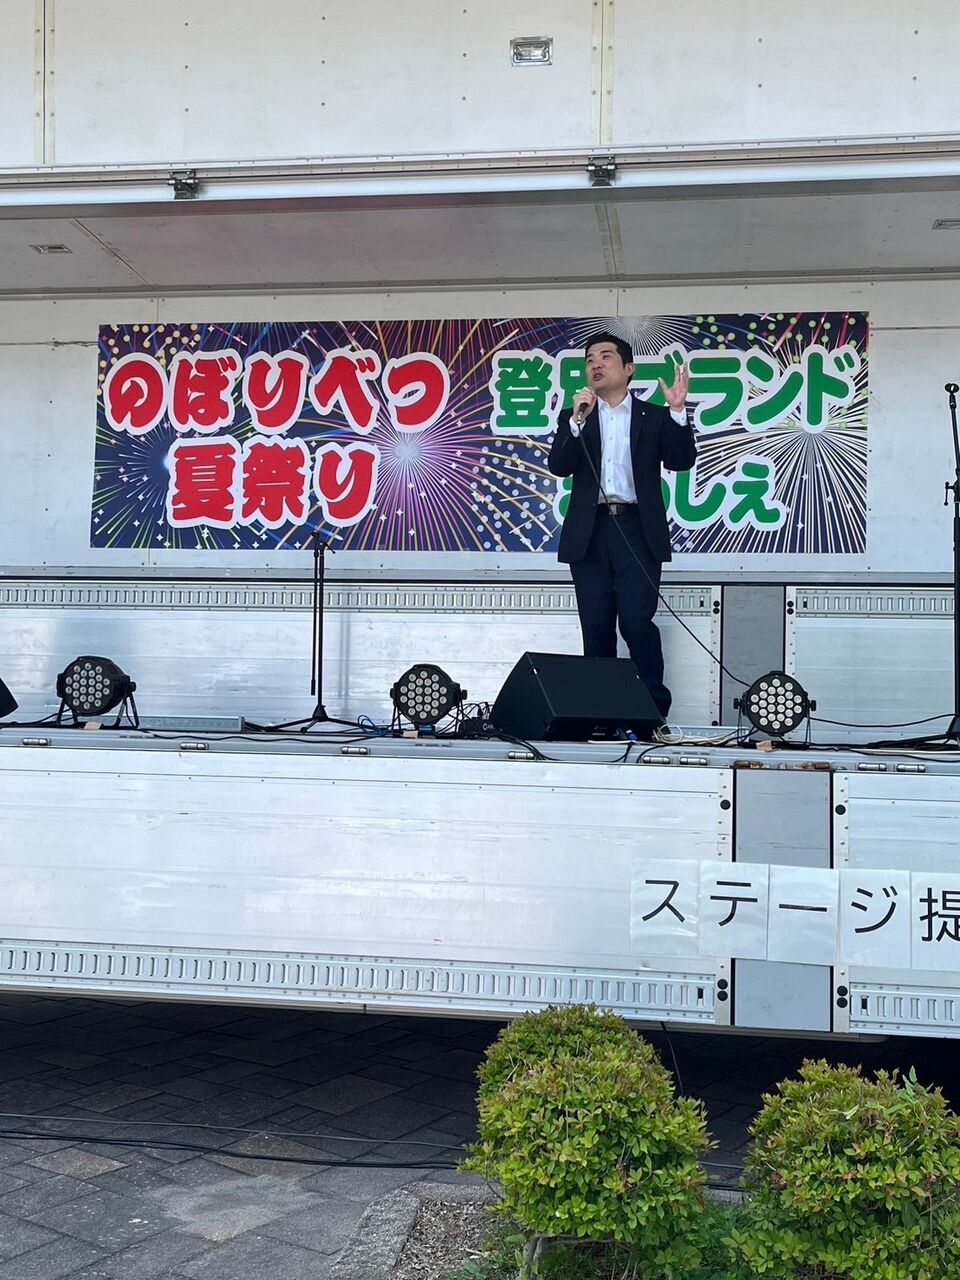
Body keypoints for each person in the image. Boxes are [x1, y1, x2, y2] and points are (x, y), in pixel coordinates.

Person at [547, 331, 697, 719]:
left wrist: (678, 412)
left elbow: (680, 461)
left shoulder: (654, 416)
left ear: (629, 369)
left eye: (606, 357)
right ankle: (600, 715)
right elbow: (559, 466)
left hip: (636, 530)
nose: (595, 364)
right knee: (596, 625)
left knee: (636, 622)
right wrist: (576, 421)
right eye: (589, 359)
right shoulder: (578, 416)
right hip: (590, 532)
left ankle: (651, 714)